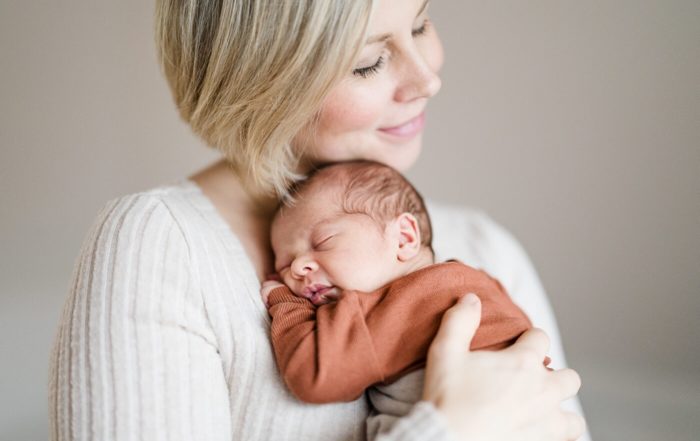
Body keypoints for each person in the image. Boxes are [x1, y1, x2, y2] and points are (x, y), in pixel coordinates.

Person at [49, 1, 588, 440]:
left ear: (406, 237)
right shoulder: (158, 246)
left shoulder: (486, 247)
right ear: (261, 81)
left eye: (421, 23)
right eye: (367, 62)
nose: (427, 81)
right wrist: (448, 431)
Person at [261, 160, 537, 440]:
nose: (297, 268)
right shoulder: (480, 282)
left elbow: (314, 377)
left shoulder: (387, 310)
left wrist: (286, 303)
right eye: (284, 265)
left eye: (323, 241)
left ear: (404, 238)